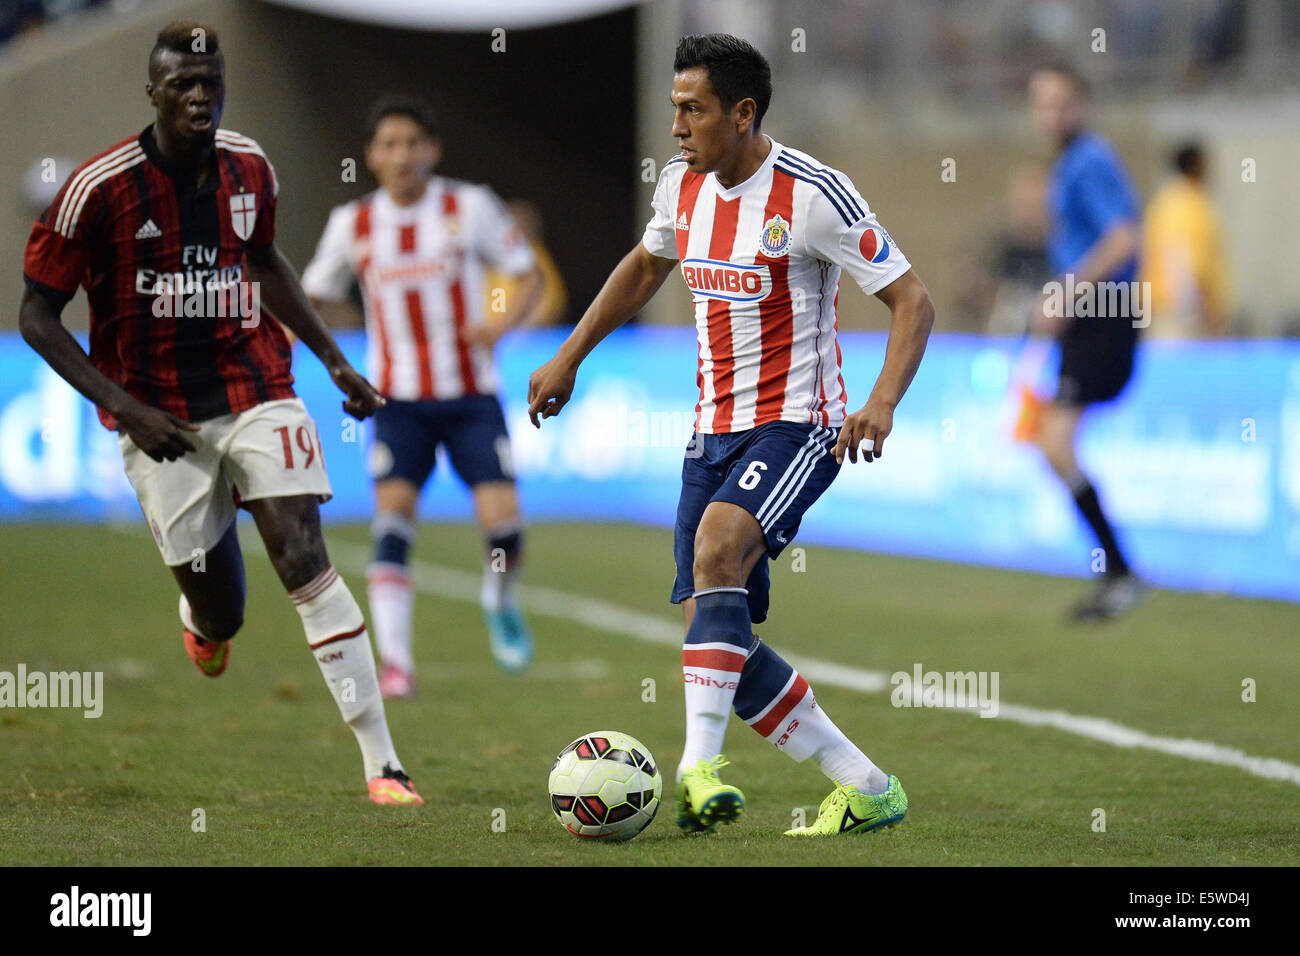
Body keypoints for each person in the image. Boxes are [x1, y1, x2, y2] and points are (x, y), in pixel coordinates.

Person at [528, 34, 934, 837]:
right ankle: (867, 785)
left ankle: (696, 770)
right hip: (710, 431)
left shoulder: (814, 195)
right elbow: (645, 268)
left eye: (692, 110)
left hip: (799, 425)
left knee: (717, 549)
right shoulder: (681, 187)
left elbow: (912, 299)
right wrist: (570, 354)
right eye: (674, 108)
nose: (676, 127)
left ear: (742, 114)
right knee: (720, 640)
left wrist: (882, 401)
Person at [18, 21, 422, 806]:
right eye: (183, 85)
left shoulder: (250, 165)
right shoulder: (97, 192)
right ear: (153, 93)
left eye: (211, 81)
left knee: (302, 553)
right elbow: (38, 314)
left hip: (256, 386)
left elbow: (265, 260)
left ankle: (383, 763)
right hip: (158, 414)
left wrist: (334, 358)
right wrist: (125, 407)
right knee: (223, 607)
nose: (200, 96)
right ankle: (203, 624)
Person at [302, 97, 544, 697]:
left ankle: (498, 600)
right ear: (371, 156)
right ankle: (397, 664)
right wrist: (341, 352)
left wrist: (499, 324)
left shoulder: (471, 205)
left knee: (504, 531)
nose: (403, 155)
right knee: (392, 525)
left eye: (414, 143)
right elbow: (309, 295)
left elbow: (526, 271)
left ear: (433, 149)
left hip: (470, 395)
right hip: (397, 402)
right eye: (390, 144)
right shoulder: (352, 224)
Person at [1028, 64, 1147, 621]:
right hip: (1090, 315)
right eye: (1042, 103)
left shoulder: (1090, 158)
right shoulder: (1071, 163)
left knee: (1056, 441)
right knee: (1054, 443)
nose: (1052, 113)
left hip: (1106, 313)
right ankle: (1119, 571)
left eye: (1061, 102)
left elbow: (1124, 237)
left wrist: (1066, 294)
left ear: (1081, 103)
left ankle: (1121, 571)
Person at [1142, 143, 1231, 338]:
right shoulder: (1187, 205)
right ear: (1195, 166)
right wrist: (1206, 317)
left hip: (1168, 312)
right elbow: (1183, 262)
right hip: (1183, 317)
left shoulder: (1165, 202)